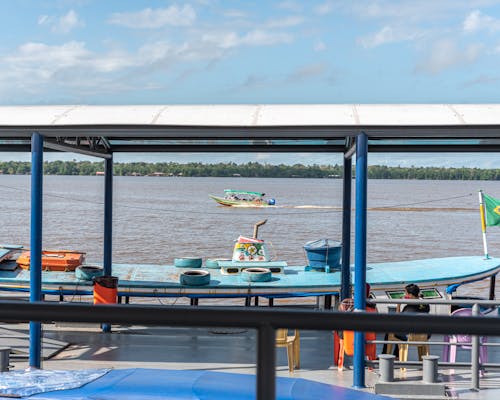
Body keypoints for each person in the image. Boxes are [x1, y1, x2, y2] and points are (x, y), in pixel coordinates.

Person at [383, 283, 430, 355]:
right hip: (424, 336)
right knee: (399, 330)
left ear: (410, 295)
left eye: (406, 293)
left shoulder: (409, 308)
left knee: (391, 331)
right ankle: (396, 355)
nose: (405, 295)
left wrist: (399, 304)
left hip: (411, 337)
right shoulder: (426, 305)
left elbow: (398, 319)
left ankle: (385, 355)